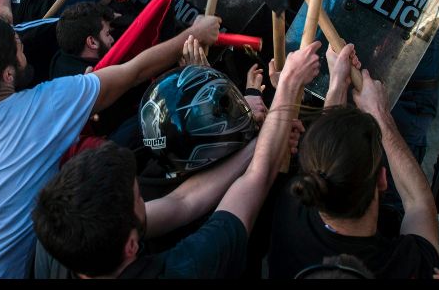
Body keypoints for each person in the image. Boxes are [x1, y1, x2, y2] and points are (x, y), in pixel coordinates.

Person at [0, 12, 222, 278]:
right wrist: (195, 33)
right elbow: (135, 71)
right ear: (8, 74)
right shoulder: (43, 108)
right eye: (20, 50)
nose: (25, 55)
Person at [30, 42, 321, 278]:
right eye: (138, 199)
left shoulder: (67, 238)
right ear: (132, 246)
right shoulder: (186, 268)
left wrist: (260, 137)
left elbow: (183, 202)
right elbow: (257, 179)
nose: (144, 199)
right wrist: (289, 86)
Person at [267, 50, 439, 278]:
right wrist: (379, 114)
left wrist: (337, 82)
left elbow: (330, 148)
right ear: (382, 179)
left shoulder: (287, 215)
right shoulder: (409, 265)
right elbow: (420, 203)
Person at [49, 1, 115, 79]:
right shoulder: (92, 79)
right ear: (92, 42)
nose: (112, 39)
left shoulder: (61, 59)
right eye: (107, 34)